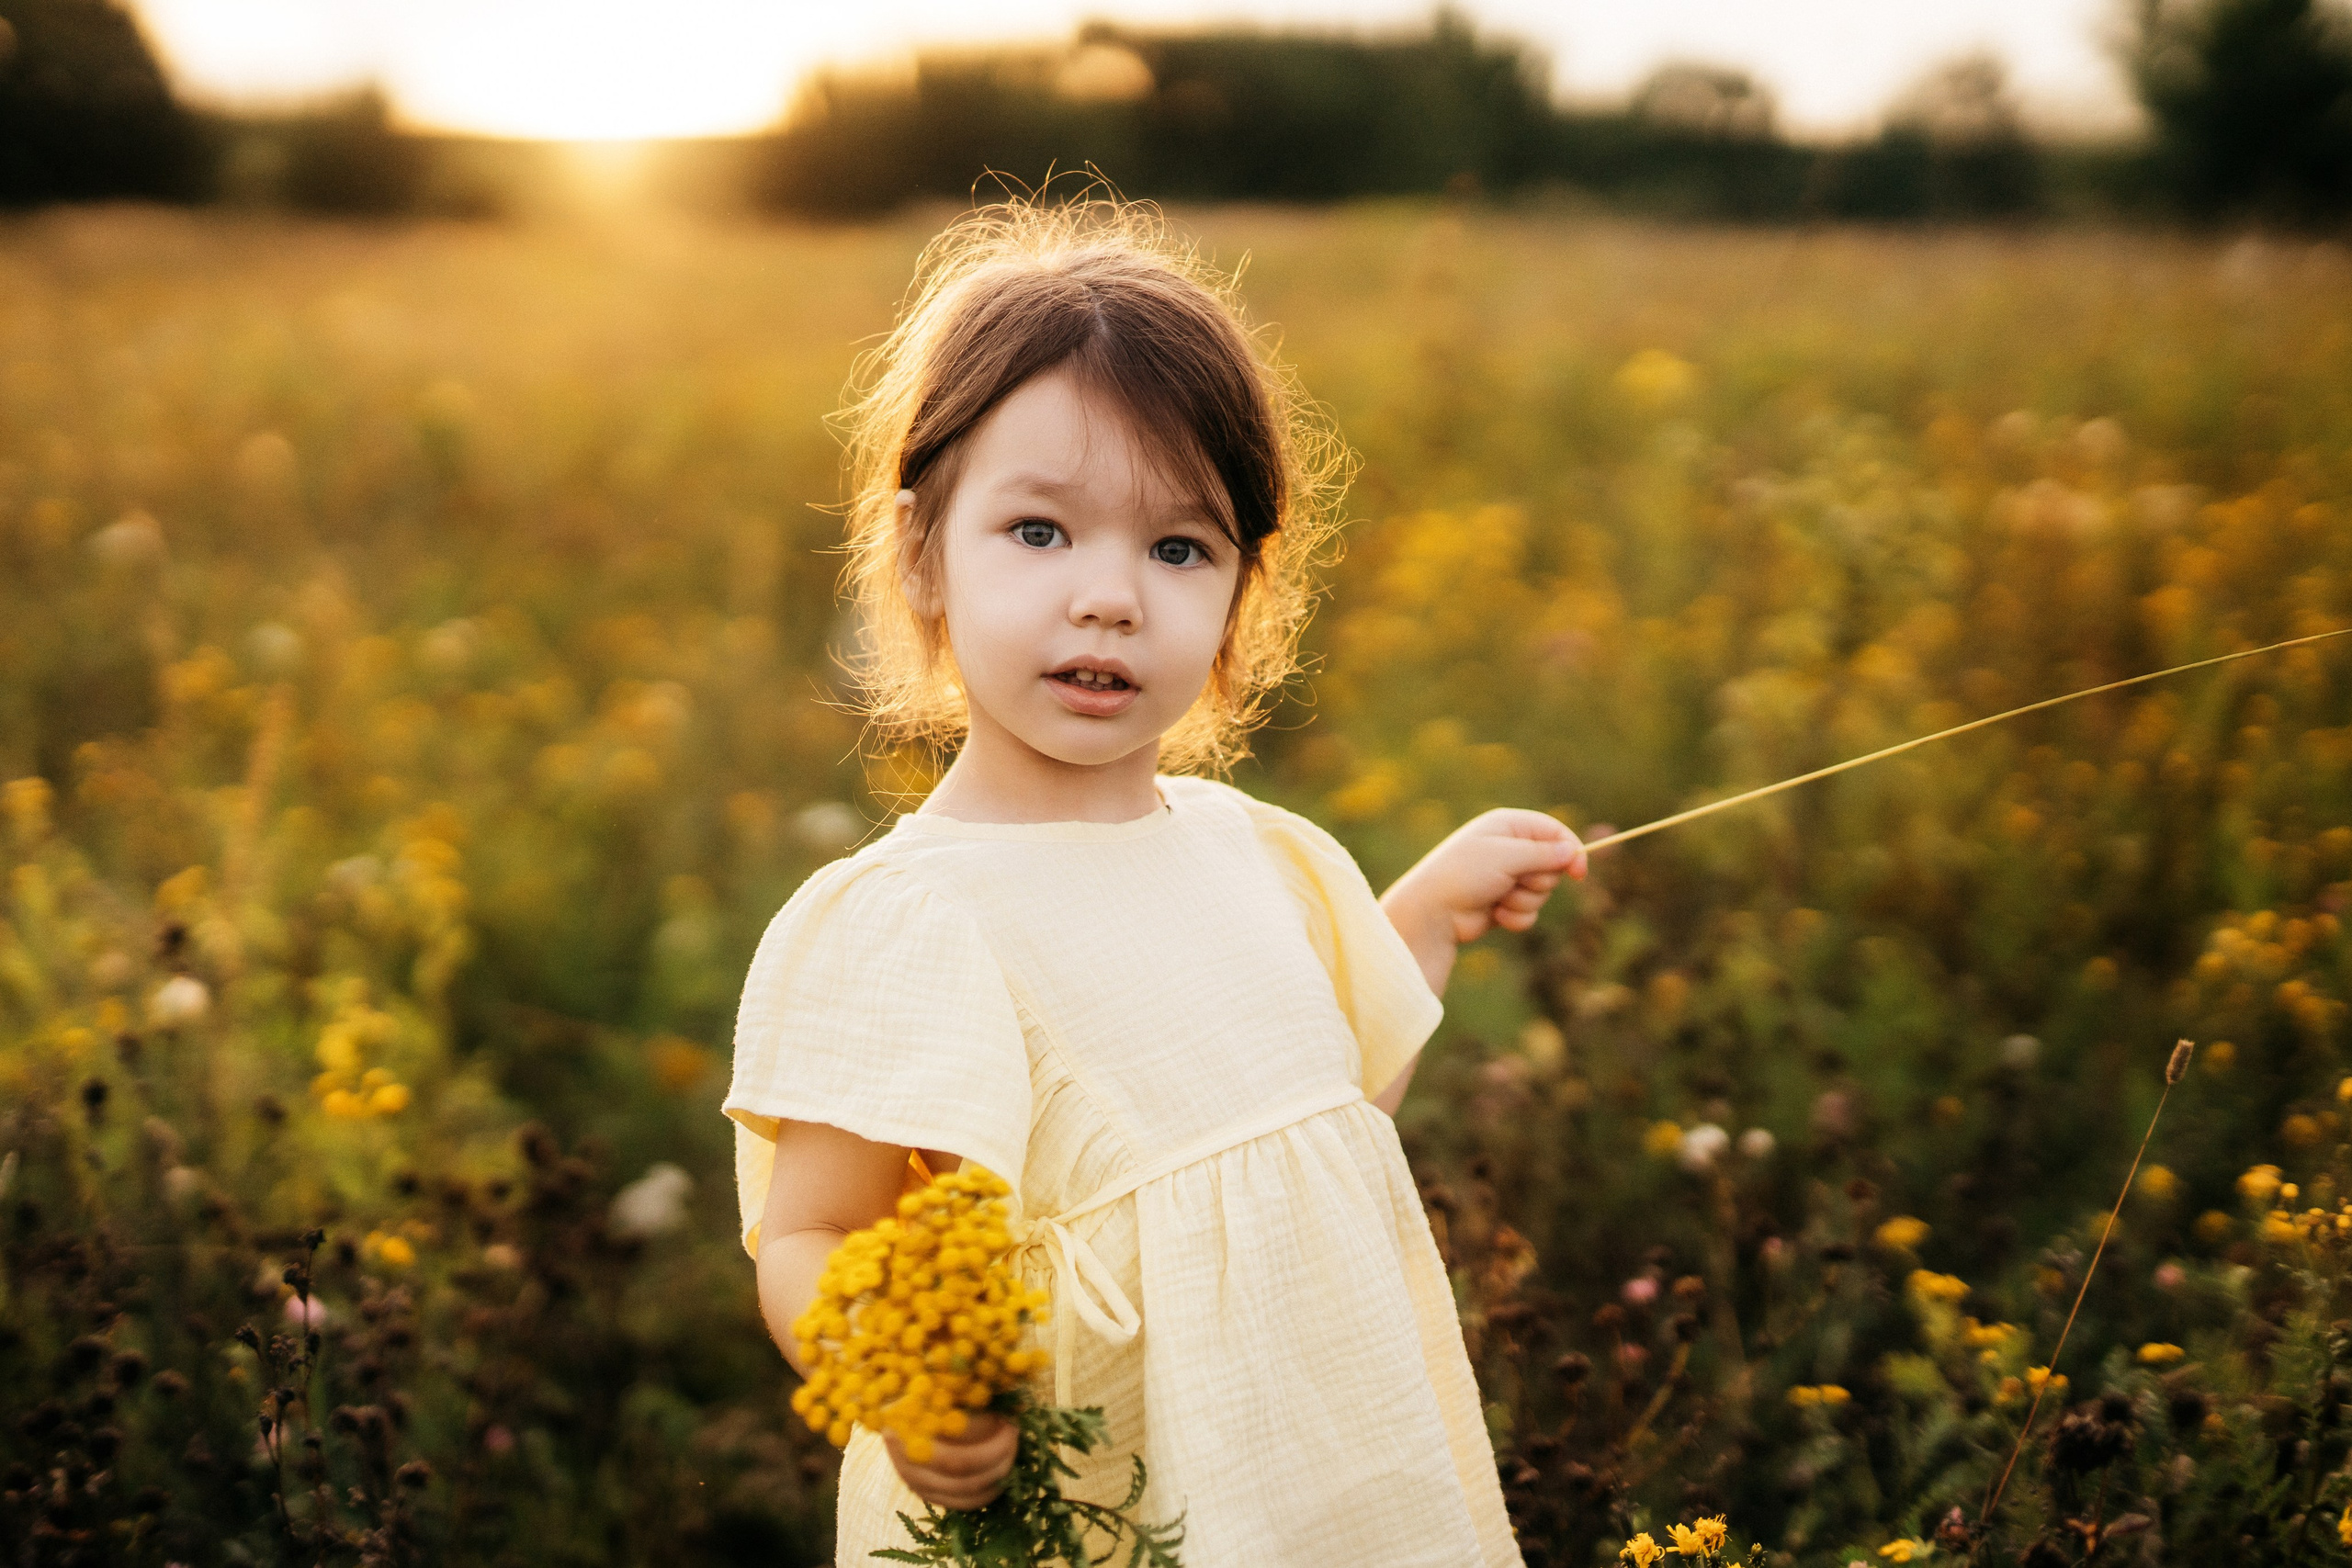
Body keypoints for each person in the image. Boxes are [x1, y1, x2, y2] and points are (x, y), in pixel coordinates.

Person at [725, 196, 1587, 1566]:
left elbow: (1308, 1134)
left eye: (1180, 549)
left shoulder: (1261, 853)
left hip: (1322, 1491)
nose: (1111, 596)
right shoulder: (914, 920)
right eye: (1039, 532)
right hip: (1095, 1514)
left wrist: (1419, 919)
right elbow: (813, 1231)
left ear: (1241, 596)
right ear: (920, 555)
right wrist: (897, 1378)